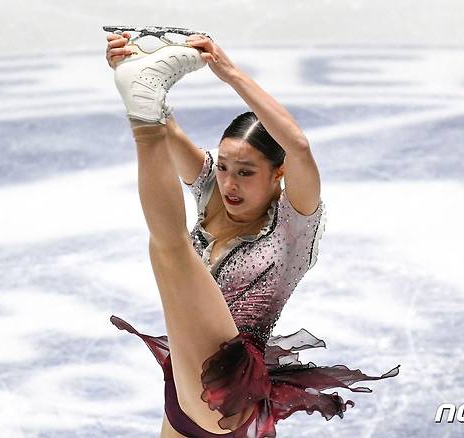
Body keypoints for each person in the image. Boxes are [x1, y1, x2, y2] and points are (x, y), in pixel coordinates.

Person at [104, 29, 400, 438]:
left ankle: (141, 122)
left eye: (245, 172)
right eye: (223, 167)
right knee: (168, 247)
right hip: (184, 391)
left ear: (278, 175)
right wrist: (128, 69)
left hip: (230, 387)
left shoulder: (293, 226)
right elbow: (165, 123)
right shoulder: (212, 189)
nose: (228, 184)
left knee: (170, 249)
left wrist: (229, 74)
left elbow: (297, 146)